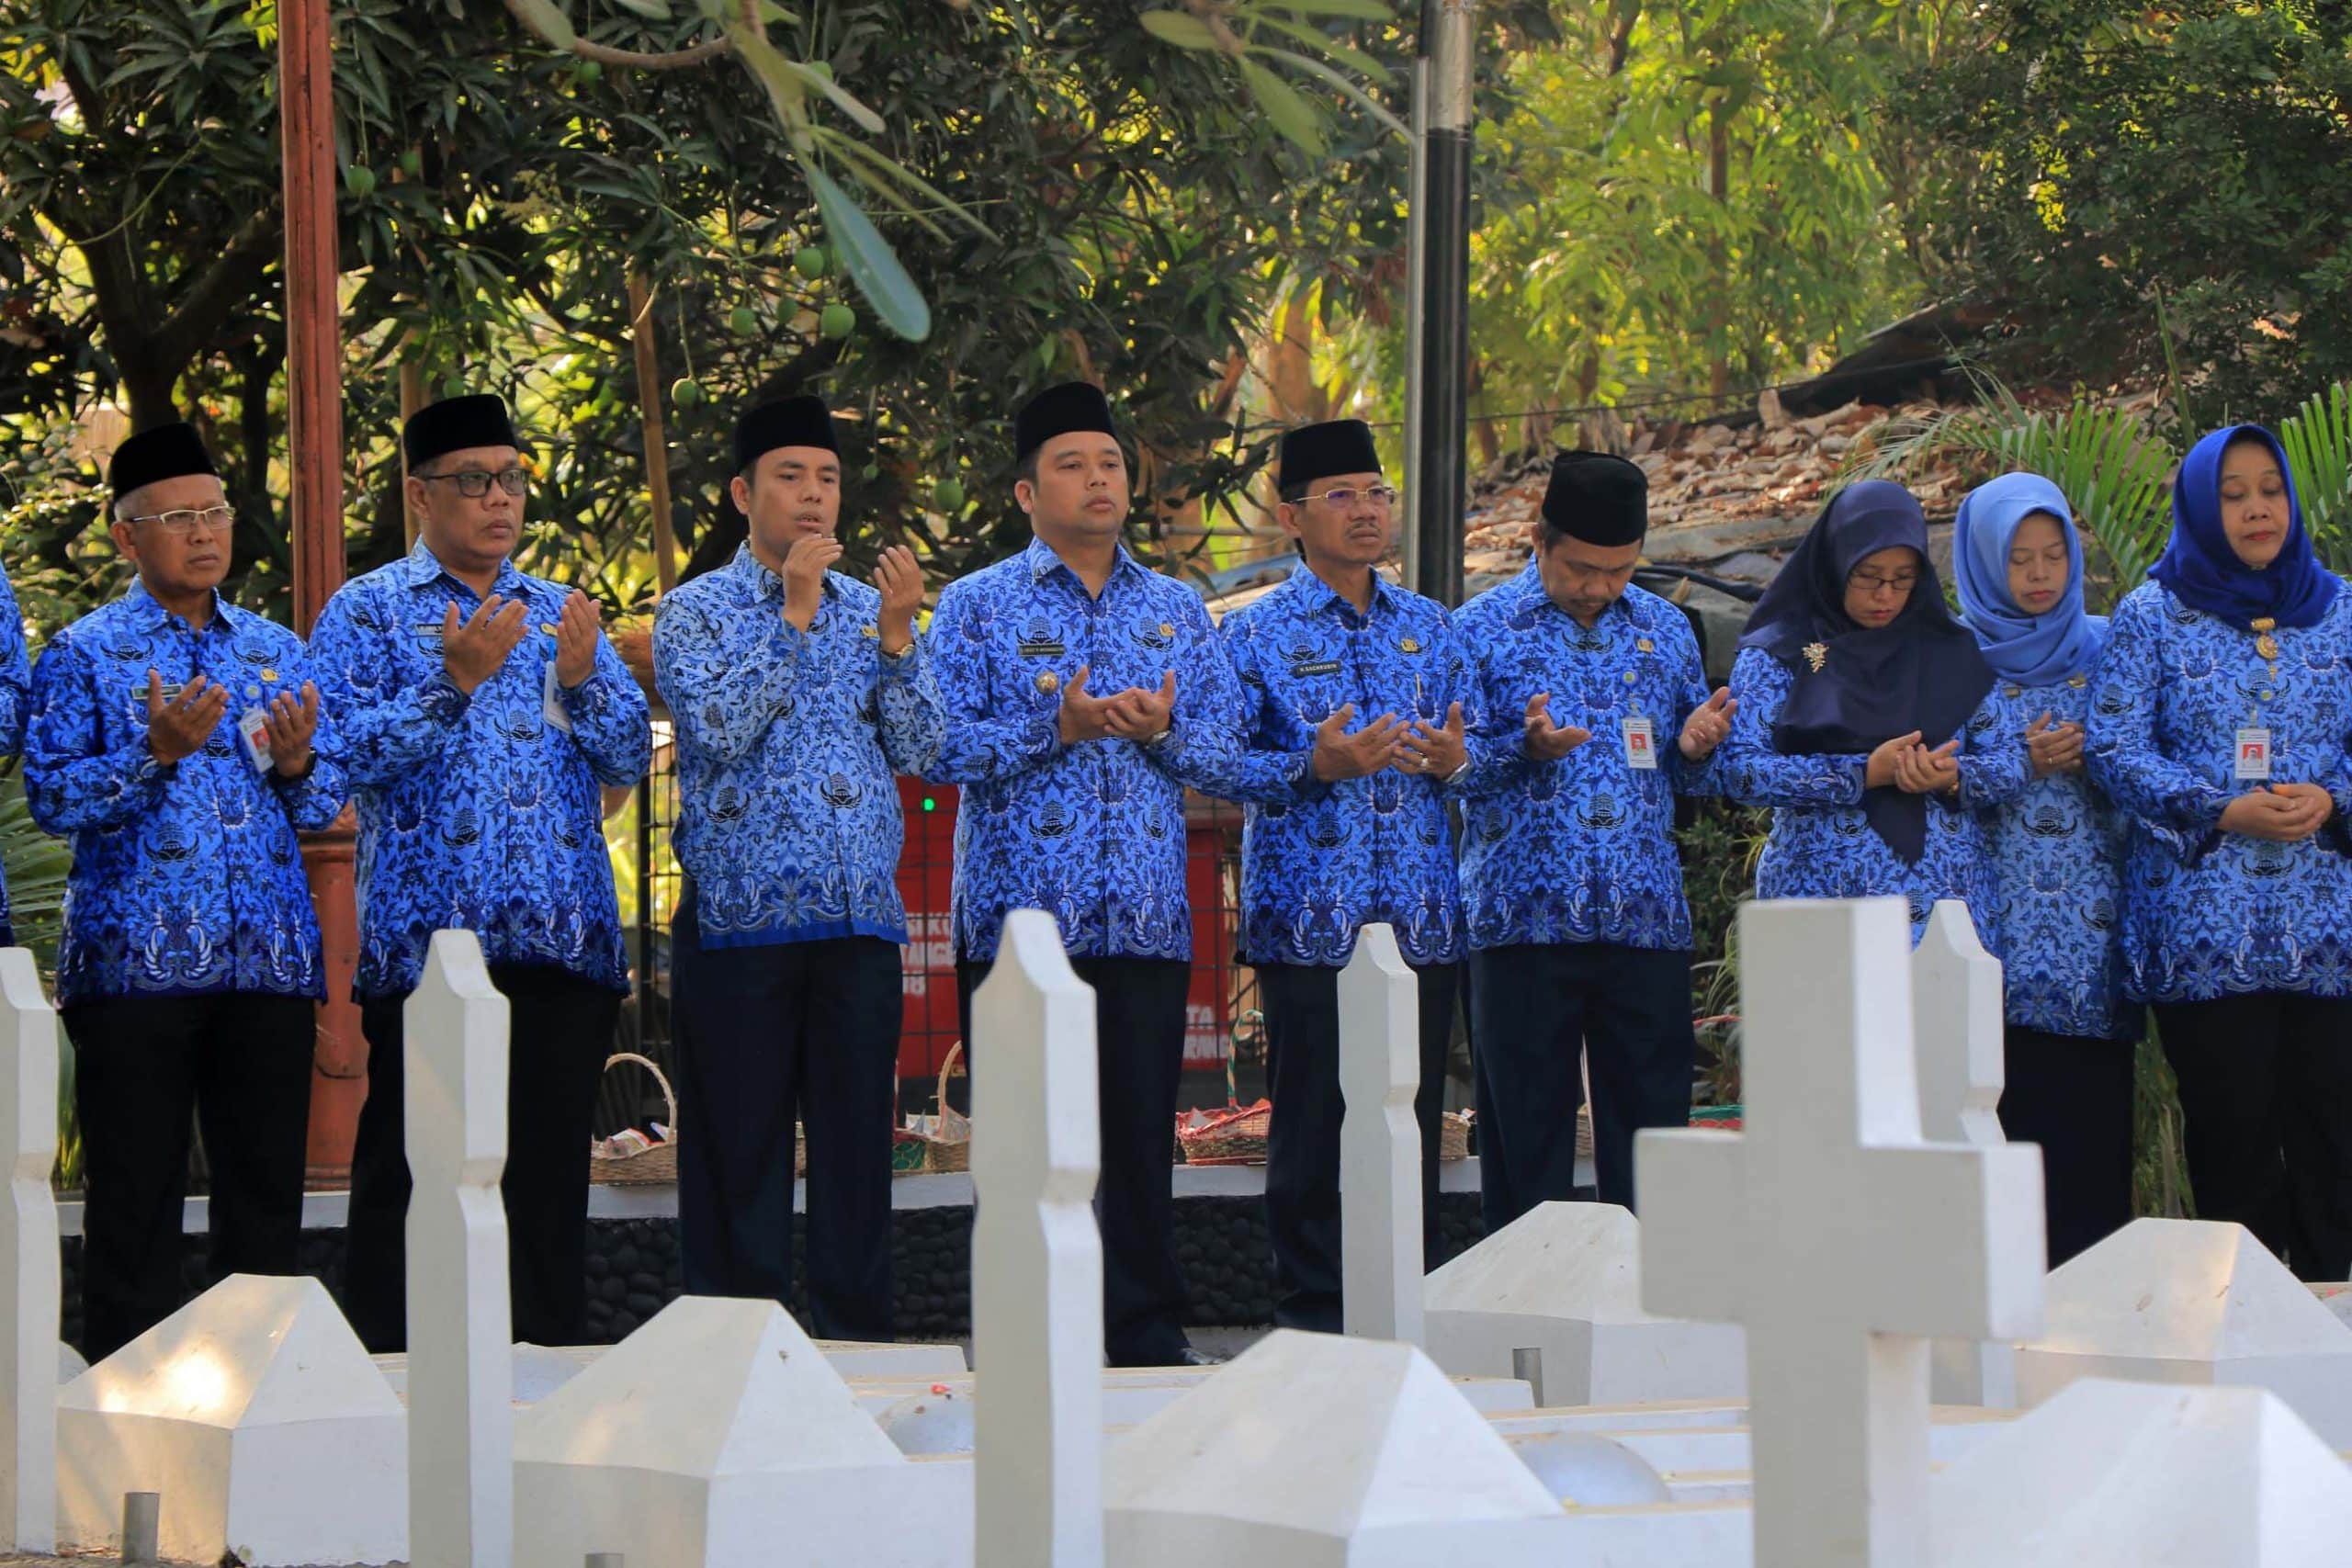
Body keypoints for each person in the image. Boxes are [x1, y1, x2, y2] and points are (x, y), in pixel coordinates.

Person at [311, 393, 650, 1351]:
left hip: (561, 944)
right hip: (429, 952)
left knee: (545, 1180)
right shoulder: (369, 612)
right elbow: (334, 759)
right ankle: (388, 1369)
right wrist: (450, 681)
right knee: (410, 1171)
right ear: (420, 495)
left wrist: (584, 680)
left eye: (511, 479)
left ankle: (541, 1379)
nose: (499, 499)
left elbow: (628, 758)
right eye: (474, 481)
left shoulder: (559, 611)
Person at [924, 381, 1238, 1367]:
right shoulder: (977, 605)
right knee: (1024, 1142)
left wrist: (1165, 730)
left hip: (1143, 919)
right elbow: (935, 746)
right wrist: (1052, 725)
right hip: (1021, 928)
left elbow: (1225, 751)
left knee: (1139, 1137)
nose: (1097, 479)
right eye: (1071, 463)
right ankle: (1025, 1331)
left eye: (1108, 463)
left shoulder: (1174, 606)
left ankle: (1143, 1327)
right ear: (1026, 493)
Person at [28, 421, 346, 1359]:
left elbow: (324, 796)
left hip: (267, 969)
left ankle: (260, 1393)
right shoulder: (83, 654)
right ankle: (126, 1403)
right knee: (136, 1198)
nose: (206, 533)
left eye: (215, 513)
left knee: (264, 1200)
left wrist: (295, 768)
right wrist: (151, 753)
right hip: (136, 975)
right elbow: (51, 796)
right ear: (127, 536)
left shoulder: (274, 647)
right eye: (179, 518)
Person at [653, 393, 941, 1337]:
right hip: (739, 922)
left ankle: (857, 1338)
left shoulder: (875, 609)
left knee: (859, 1147)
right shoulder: (693, 611)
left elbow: (924, 748)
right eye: (789, 477)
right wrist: (794, 614)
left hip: (857, 921)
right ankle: (737, 1345)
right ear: (743, 493)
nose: (813, 496)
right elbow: (720, 730)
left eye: (826, 478)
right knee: (740, 1146)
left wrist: (898, 641)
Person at [1212, 417, 1496, 1332]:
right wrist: (1311, 767)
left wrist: (1457, 759)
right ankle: (1311, 1308)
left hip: (1420, 915)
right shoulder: (1255, 633)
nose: (1368, 511)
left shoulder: (1433, 625)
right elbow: (1212, 760)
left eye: (1377, 494)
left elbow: (1482, 753)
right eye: (1342, 496)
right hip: (1307, 916)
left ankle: (1399, 1297)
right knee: (1313, 1117)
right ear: (1292, 518)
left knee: (1404, 1115)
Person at [2086, 424, 2352, 1281]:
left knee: (2335, 1140)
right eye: (2232, 494)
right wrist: (2219, 806)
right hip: (2206, 934)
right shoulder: (2152, 614)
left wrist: (2335, 795)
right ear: (2203, 505)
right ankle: (2244, 1328)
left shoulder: (2342, 607)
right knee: (2234, 1138)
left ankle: (2335, 1335)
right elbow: (2113, 746)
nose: (2255, 509)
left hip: (2327, 931)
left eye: (2268, 489)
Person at [1454, 451, 1734, 1226]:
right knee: (1526, 1142)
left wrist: (1696, 748)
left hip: (1645, 922)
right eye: (1581, 568)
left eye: (1618, 571)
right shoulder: (1476, 630)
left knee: (1652, 1143)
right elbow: (1448, 770)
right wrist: (1522, 748)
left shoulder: (1666, 630)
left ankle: (1648, 1320)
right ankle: (1524, 1327)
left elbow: (1688, 776)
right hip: (1521, 922)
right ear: (1537, 541)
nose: (1598, 589)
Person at [1952, 473, 2140, 1267]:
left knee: (2095, 1166)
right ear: (1987, 563)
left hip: (2094, 950)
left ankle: (2097, 1355)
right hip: (1996, 953)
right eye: (2019, 558)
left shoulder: (2109, 650)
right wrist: (2016, 762)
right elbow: (1938, 785)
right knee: (2006, 1163)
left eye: (2053, 554)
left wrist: (2100, 756)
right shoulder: (1954, 661)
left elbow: (2146, 761)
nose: (2038, 574)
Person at [1717, 479, 2029, 942]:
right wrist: (1862, 774)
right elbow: (1739, 771)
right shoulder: (1781, 654)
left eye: (1903, 579)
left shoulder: (1949, 649)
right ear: (1837, 562)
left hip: (1945, 913)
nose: (1885, 595)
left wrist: (1952, 777)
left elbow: (2014, 758)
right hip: (1820, 906)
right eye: (1868, 576)